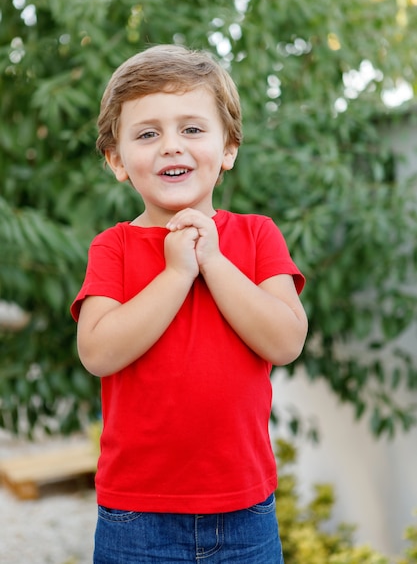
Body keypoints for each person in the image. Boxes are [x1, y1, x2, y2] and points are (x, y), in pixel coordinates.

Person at [71, 44, 308, 564]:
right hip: (136, 517)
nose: (171, 147)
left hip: (245, 511)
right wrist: (177, 272)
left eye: (192, 129)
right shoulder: (112, 247)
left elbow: (286, 341)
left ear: (228, 149)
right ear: (117, 160)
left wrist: (214, 262)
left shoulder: (257, 236)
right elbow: (98, 352)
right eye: (148, 133)